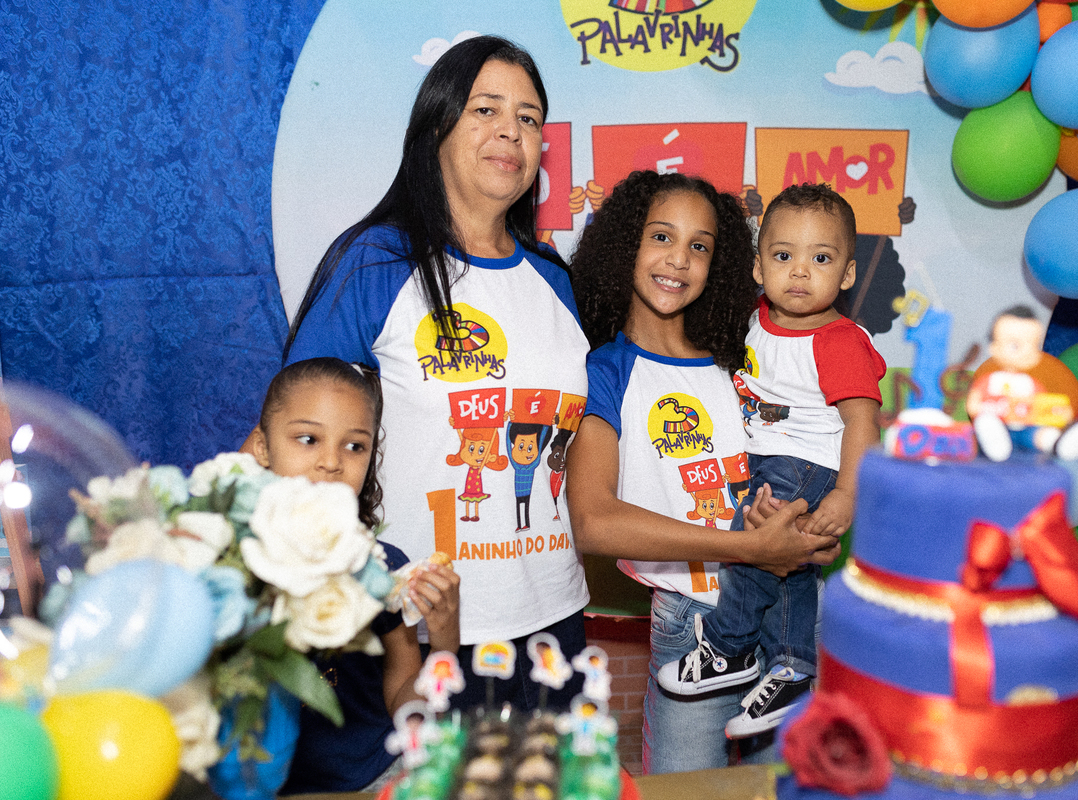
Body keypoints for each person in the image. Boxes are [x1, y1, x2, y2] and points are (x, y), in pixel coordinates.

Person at [282, 35, 589, 710]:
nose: (510, 130)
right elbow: (296, 446)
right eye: (485, 109)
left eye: (529, 117)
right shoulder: (376, 262)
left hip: (552, 621)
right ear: (437, 126)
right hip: (413, 631)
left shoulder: (555, 279)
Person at [566, 170, 843, 774]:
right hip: (695, 626)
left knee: (789, 784)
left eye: (700, 245)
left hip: (790, 613)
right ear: (626, 244)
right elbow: (593, 521)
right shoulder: (603, 371)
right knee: (686, 787)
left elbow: (817, 452)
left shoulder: (746, 357)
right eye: (661, 236)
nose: (679, 259)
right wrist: (751, 549)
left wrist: (809, 532)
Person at [656, 183, 886, 737]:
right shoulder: (754, 319)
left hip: (806, 462)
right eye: (783, 256)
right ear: (759, 267)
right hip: (762, 457)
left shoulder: (838, 341)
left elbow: (863, 422)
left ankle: (730, 646)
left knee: (756, 545)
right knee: (791, 565)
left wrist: (847, 494)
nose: (800, 272)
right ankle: (792, 667)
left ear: (848, 274)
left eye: (821, 259)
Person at [246, 357, 460, 793]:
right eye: (308, 439)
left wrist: (444, 644)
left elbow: (402, 695)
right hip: (256, 785)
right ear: (262, 447)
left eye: (354, 446)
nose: (331, 462)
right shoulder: (232, 558)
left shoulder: (382, 565)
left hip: (371, 781)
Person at [966, 305, 1078, 462]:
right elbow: (973, 405)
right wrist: (992, 408)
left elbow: (1043, 408)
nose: (1025, 352)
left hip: (1026, 429)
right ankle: (995, 444)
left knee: (1041, 433)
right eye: (1015, 345)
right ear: (994, 348)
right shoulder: (990, 381)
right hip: (1000, 426)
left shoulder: (1031, 384)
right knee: (987, 422)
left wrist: (1062, 414)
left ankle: (1058, 443)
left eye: (1033, 346)